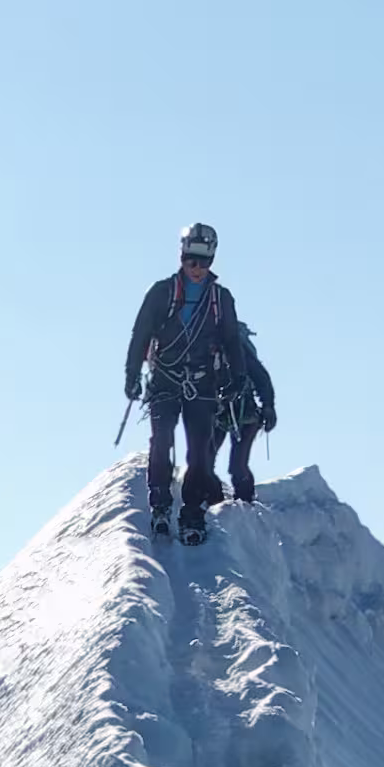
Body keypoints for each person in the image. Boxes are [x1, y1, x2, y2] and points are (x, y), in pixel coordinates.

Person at [122, 222, 277, 542]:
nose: (197, 268)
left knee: (200, 453)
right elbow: (140, 335)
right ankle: (160, 504)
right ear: (181, 257)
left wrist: (237, 379)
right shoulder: (161, 293)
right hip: (165, 380)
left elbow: (233, 342)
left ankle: (192, 512)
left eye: (204, 262)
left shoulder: (221, 299)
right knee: (161, 442)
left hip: (203, 385)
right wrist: (132, 374)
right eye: (191, 260)